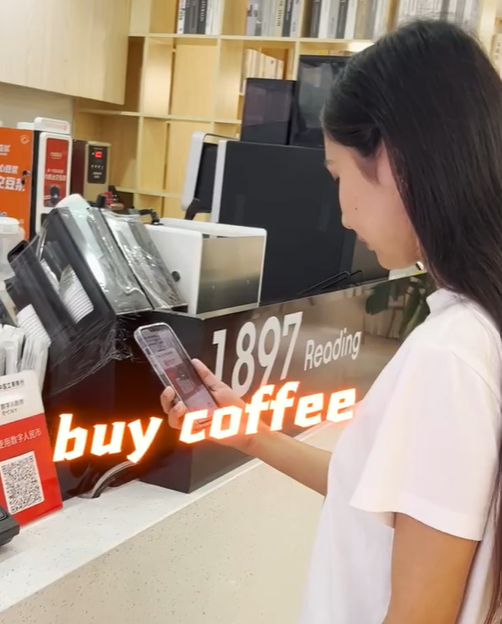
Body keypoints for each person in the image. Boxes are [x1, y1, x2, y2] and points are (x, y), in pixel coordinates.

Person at [160, 19, 502, 624]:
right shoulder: (474, 333)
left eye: (338, 176)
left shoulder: (448, 358)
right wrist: (249, 434)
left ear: (394, 159)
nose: (342, 215)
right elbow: (374, 496)